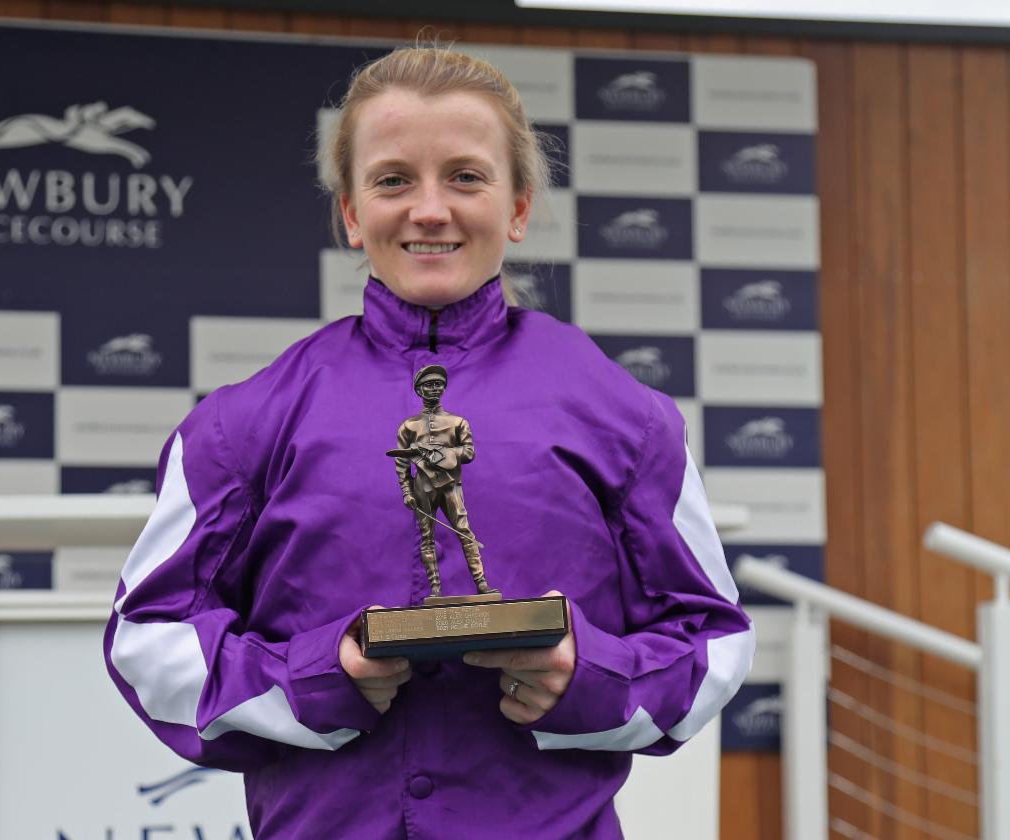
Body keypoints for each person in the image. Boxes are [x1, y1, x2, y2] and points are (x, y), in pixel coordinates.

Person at [105, 43, 754, 839]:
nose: (430, 209)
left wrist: (588, 679)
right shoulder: (245, 422)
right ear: (350, 211)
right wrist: (316, 678)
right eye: (392, 180)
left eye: (466, 176)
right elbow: (146, 640)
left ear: (518, 206)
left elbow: (714, 643)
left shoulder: (627, 417)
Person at [392, 363, 496, 597]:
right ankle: (435, 589)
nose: (434, 389)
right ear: (419, 390)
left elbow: (469, 453)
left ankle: (481, 583)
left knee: (464, 531)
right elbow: (401, 463)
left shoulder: (458, 422)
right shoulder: (408, 426)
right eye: (429, 385)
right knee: (427, 537)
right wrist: (407, 491)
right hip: (423, 488)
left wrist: (447, 454)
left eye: (438, 384)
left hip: (451, 486)